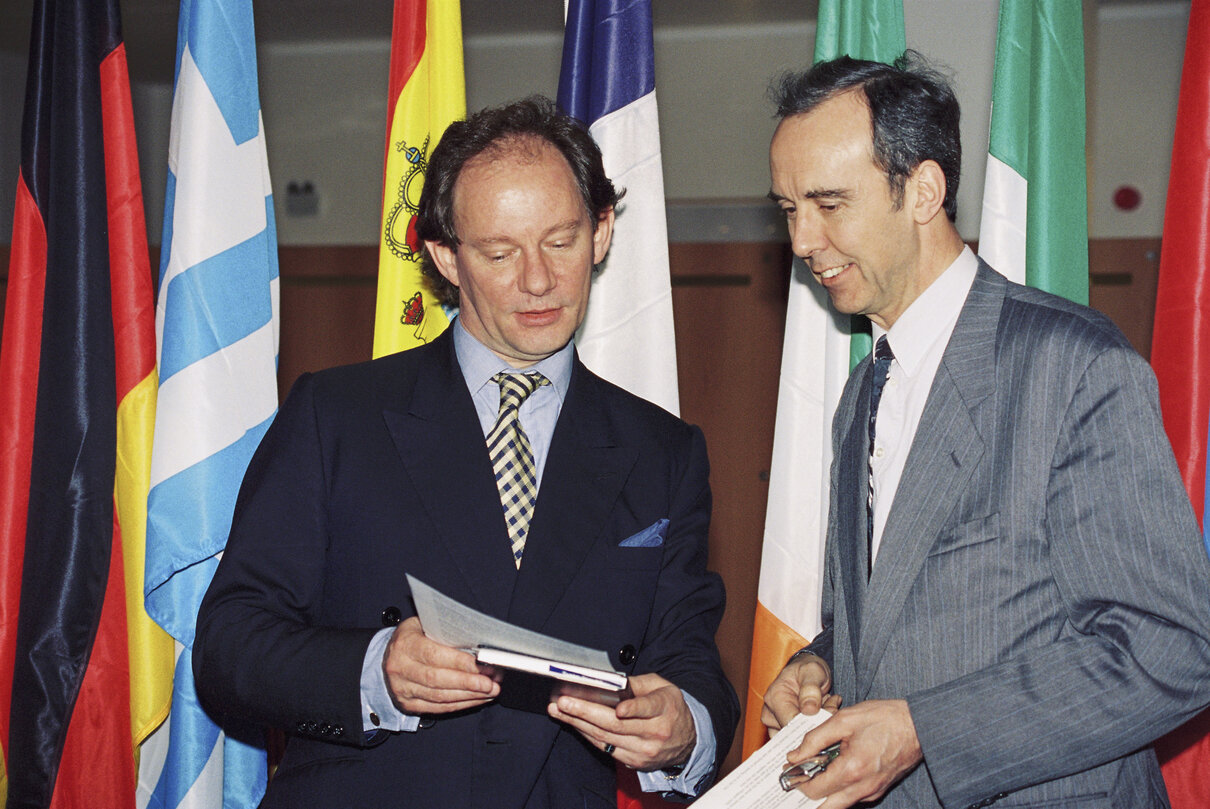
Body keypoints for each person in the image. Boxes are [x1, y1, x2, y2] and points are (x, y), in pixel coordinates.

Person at [192, 96, 738, 809]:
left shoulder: (663, 450)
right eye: (500, 252)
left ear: (602, 232)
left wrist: (684, 727)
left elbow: (689, 657)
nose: (538, 280)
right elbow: (230, 646)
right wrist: (373, 670)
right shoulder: (337, 415)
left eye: (561, 240)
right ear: (446, 256)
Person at [760, 53, 1210, 809]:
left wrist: (924, 729)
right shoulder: (862, 393)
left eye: (828, 203)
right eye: (787, 209)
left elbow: (1172, 651)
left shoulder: (1073, 367)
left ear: (925, 191)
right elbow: (898, 614)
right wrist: (823, 662)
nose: (803, 241)